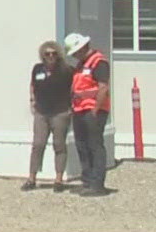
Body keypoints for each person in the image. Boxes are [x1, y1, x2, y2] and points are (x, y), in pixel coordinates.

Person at [64, 32, 112, 197]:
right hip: (79, 109)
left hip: (93, 110)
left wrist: (95, 110)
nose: (75, 55)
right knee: (82, 145)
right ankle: (87, 180)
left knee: (94, 145)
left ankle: (97, 183)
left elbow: (103, 87)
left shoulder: (99, 62)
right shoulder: (81, 64)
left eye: (76, 51)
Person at [27, 39, 74, 192]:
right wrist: (32, 100)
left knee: (59, 145)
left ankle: (59, 179)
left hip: (60, 112)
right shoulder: (37, 69)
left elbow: (74, 89)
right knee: (38, 144)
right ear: (43, 55)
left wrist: (71, 107)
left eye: (54, 54)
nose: (51, 56)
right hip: (41, 112)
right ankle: (32, 178)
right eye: (47, 54)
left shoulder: (66, 70)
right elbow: (32, 85)